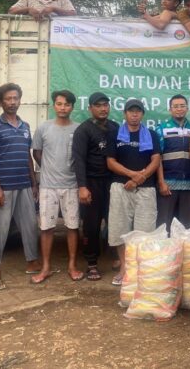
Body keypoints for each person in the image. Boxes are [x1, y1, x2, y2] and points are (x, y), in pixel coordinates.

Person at [0, 83, 41, 290]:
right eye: (8, 99)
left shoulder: (25, 126)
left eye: (15, 98)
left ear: (20, 100)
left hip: (25, 185)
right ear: (1, 102)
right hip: (5, 186)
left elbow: (28, 156)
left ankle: (32, 262)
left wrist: (34, 182)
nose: (12, 102)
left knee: (29, 226)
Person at [106, 99, 161, 286]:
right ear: (125, 114)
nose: (134, 114)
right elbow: (110, 162)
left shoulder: (151, 135)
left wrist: (140, 177)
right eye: (131, 111)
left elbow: (155, 160)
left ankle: (140, 268)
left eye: (138, 111)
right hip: (120, 187)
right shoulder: (115, 134)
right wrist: (131, 175)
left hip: (146, 189)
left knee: (144, 232)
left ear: (143, 114)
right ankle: (124, 267)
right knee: (120, 229)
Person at [31, 90, 82, 284]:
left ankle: (72, 266)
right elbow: (37, 153)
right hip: (48, 187)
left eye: (67, 104)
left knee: (72, 227)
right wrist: (49, 169)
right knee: (46, 228)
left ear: (72, 107)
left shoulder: (78, 129)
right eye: (59, 104)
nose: (63, 108)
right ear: (54, 105)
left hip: (72, 185)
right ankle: (45, 267)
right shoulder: (44, 128)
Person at [72, 92, 120, 281]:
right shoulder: (83, 130)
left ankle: (117, 257)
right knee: (91, 225)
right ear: (90, 108)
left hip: (112, 182)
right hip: (91, 183)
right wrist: (82, 187)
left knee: (115, 221)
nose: (103, 109)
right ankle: (92, 263)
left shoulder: (115, 127)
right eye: (98, 105)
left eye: (105, 105)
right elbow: (79, 160)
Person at [155, 94, 190, 231]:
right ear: (170, 109)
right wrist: (161, 182)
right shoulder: (161, 128)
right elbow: (157, 158)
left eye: (182, 106)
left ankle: (183, 252)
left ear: (187, 108)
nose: (179, 109)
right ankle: (165, 252)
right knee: (164, 225)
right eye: (175, 106)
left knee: (187, 226)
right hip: (168, 185)